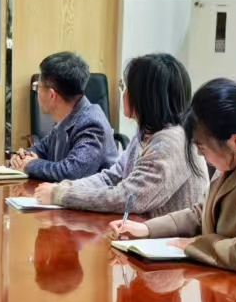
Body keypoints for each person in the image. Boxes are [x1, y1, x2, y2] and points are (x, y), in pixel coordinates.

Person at [107, 75, 236, 290]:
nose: (200, 153)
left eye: (201, 146)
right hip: (222, 282)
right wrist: (147, 229)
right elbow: (203, 212)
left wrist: (194, 245)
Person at [35, 52, 206, 221]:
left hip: (166, 238)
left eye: (126, 87)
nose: (124, 93)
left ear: (144, 96)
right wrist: (64, 187)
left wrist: (63, 195)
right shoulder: (146, 133)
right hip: (139, 230)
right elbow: (111, 177)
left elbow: (129, 197)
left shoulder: (171, 142)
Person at [8, 51, 119, 182]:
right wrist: (22, 157)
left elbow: (72, 172)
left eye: (38, 86)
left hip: (90, 195)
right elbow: (43, 149)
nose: (37, 92)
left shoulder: (92, 124)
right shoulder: (66, 118)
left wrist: (30, 164)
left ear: (51, 95)